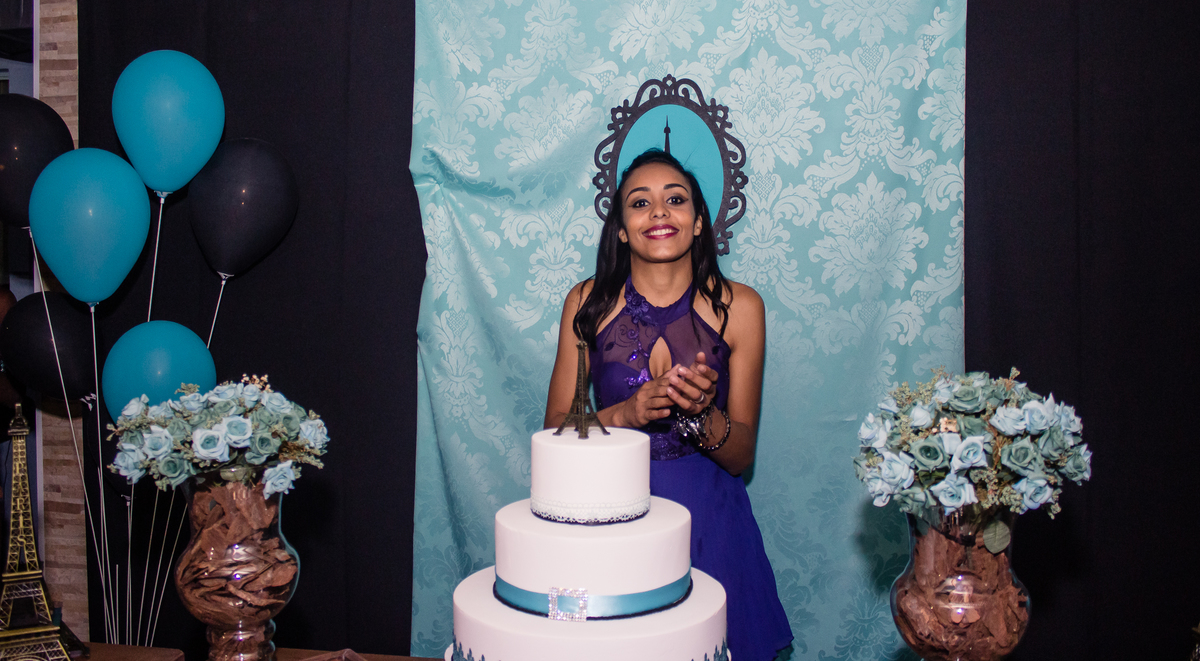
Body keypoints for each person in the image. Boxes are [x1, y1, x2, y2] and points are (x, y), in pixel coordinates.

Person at [545, 149, 793, 661]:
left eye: (675, 200)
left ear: (698, 222)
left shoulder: (743, 307)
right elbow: (553, 437)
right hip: (612, 522)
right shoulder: (585, 303)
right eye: (640, 202)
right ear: (621, 229)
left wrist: (702, 416)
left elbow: (741, 456)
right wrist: (625, 415)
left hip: (712, 525)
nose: (659, 211)